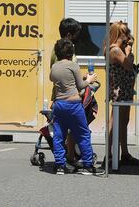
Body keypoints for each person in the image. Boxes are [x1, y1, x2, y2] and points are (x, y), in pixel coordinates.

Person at [50, 39, 102, 175]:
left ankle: (60, 165)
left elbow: (53, 79)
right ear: (71, 53)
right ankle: (87, 165)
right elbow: (80, 86)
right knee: (83, 134)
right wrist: (89, 80)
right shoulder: (73, 65)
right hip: (73, 105)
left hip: (59, 104)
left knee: (59, 136)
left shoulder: (54, 66)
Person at [101, 21, 139, 168]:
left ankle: (125, 153)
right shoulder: (115, 50)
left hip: (125, 88)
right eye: (126, 33)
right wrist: (129, 52)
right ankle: (109, 154)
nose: (128, 36)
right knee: (114, 121)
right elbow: (128, 65)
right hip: (119, 89)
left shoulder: (117, 48)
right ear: (119, 34)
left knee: (124, 121)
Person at [50, 18, 82, 167]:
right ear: (69, 34)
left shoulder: (57, 49)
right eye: (76, 34)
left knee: (63, 129)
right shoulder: (64, 52)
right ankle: (68, 157)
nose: (78, 37)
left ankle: (65, 158)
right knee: (70, 128)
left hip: (60, 95)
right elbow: (65, 74)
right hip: (68, 96)